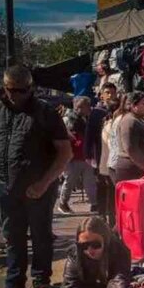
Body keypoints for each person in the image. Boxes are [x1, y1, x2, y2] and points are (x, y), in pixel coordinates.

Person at [0, 66, 72, 288]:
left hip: (37, 188)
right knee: (13, 238)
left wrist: (44, 183)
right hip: (7, 188)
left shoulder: (45, 111)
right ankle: (14, 287)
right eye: (10, 90)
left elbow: (65, 152)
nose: (15, 95)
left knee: (41, 237)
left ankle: (41, 283)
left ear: (30, 88)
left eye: (21, 90)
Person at [57, 96, 98, 214]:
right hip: (73, 156)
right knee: (70, 180)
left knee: (89, 181)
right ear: (79, 107)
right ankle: (63, 203)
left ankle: (94, 203)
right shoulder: (68, 120)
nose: (88, 109)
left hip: (86, 155)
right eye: (86, 106)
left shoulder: (88, 119)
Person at [84, 82, 118, 213]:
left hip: (114, 153)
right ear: (102, 95)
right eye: (107, 93)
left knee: (113, 185)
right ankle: (102, 212)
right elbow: (89, 135)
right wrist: (88, 155)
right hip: (100, 153)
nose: (110, 95)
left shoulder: (118, 110)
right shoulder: (96, 113)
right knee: (102, 184)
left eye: (112, 92)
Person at [110, 91, 144, 184]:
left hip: (139, 168)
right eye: (143, 103)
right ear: (133, 106)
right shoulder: (129, 121)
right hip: (131, 169)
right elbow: (130, 149)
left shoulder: (140, 120)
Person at [98, 98, 120, 227]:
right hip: (112, 165)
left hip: (106, 165)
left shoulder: (107, 123)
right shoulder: (112, 125)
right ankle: (113, 225)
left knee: (111, 197)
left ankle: (112, 223)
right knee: (113, 198)